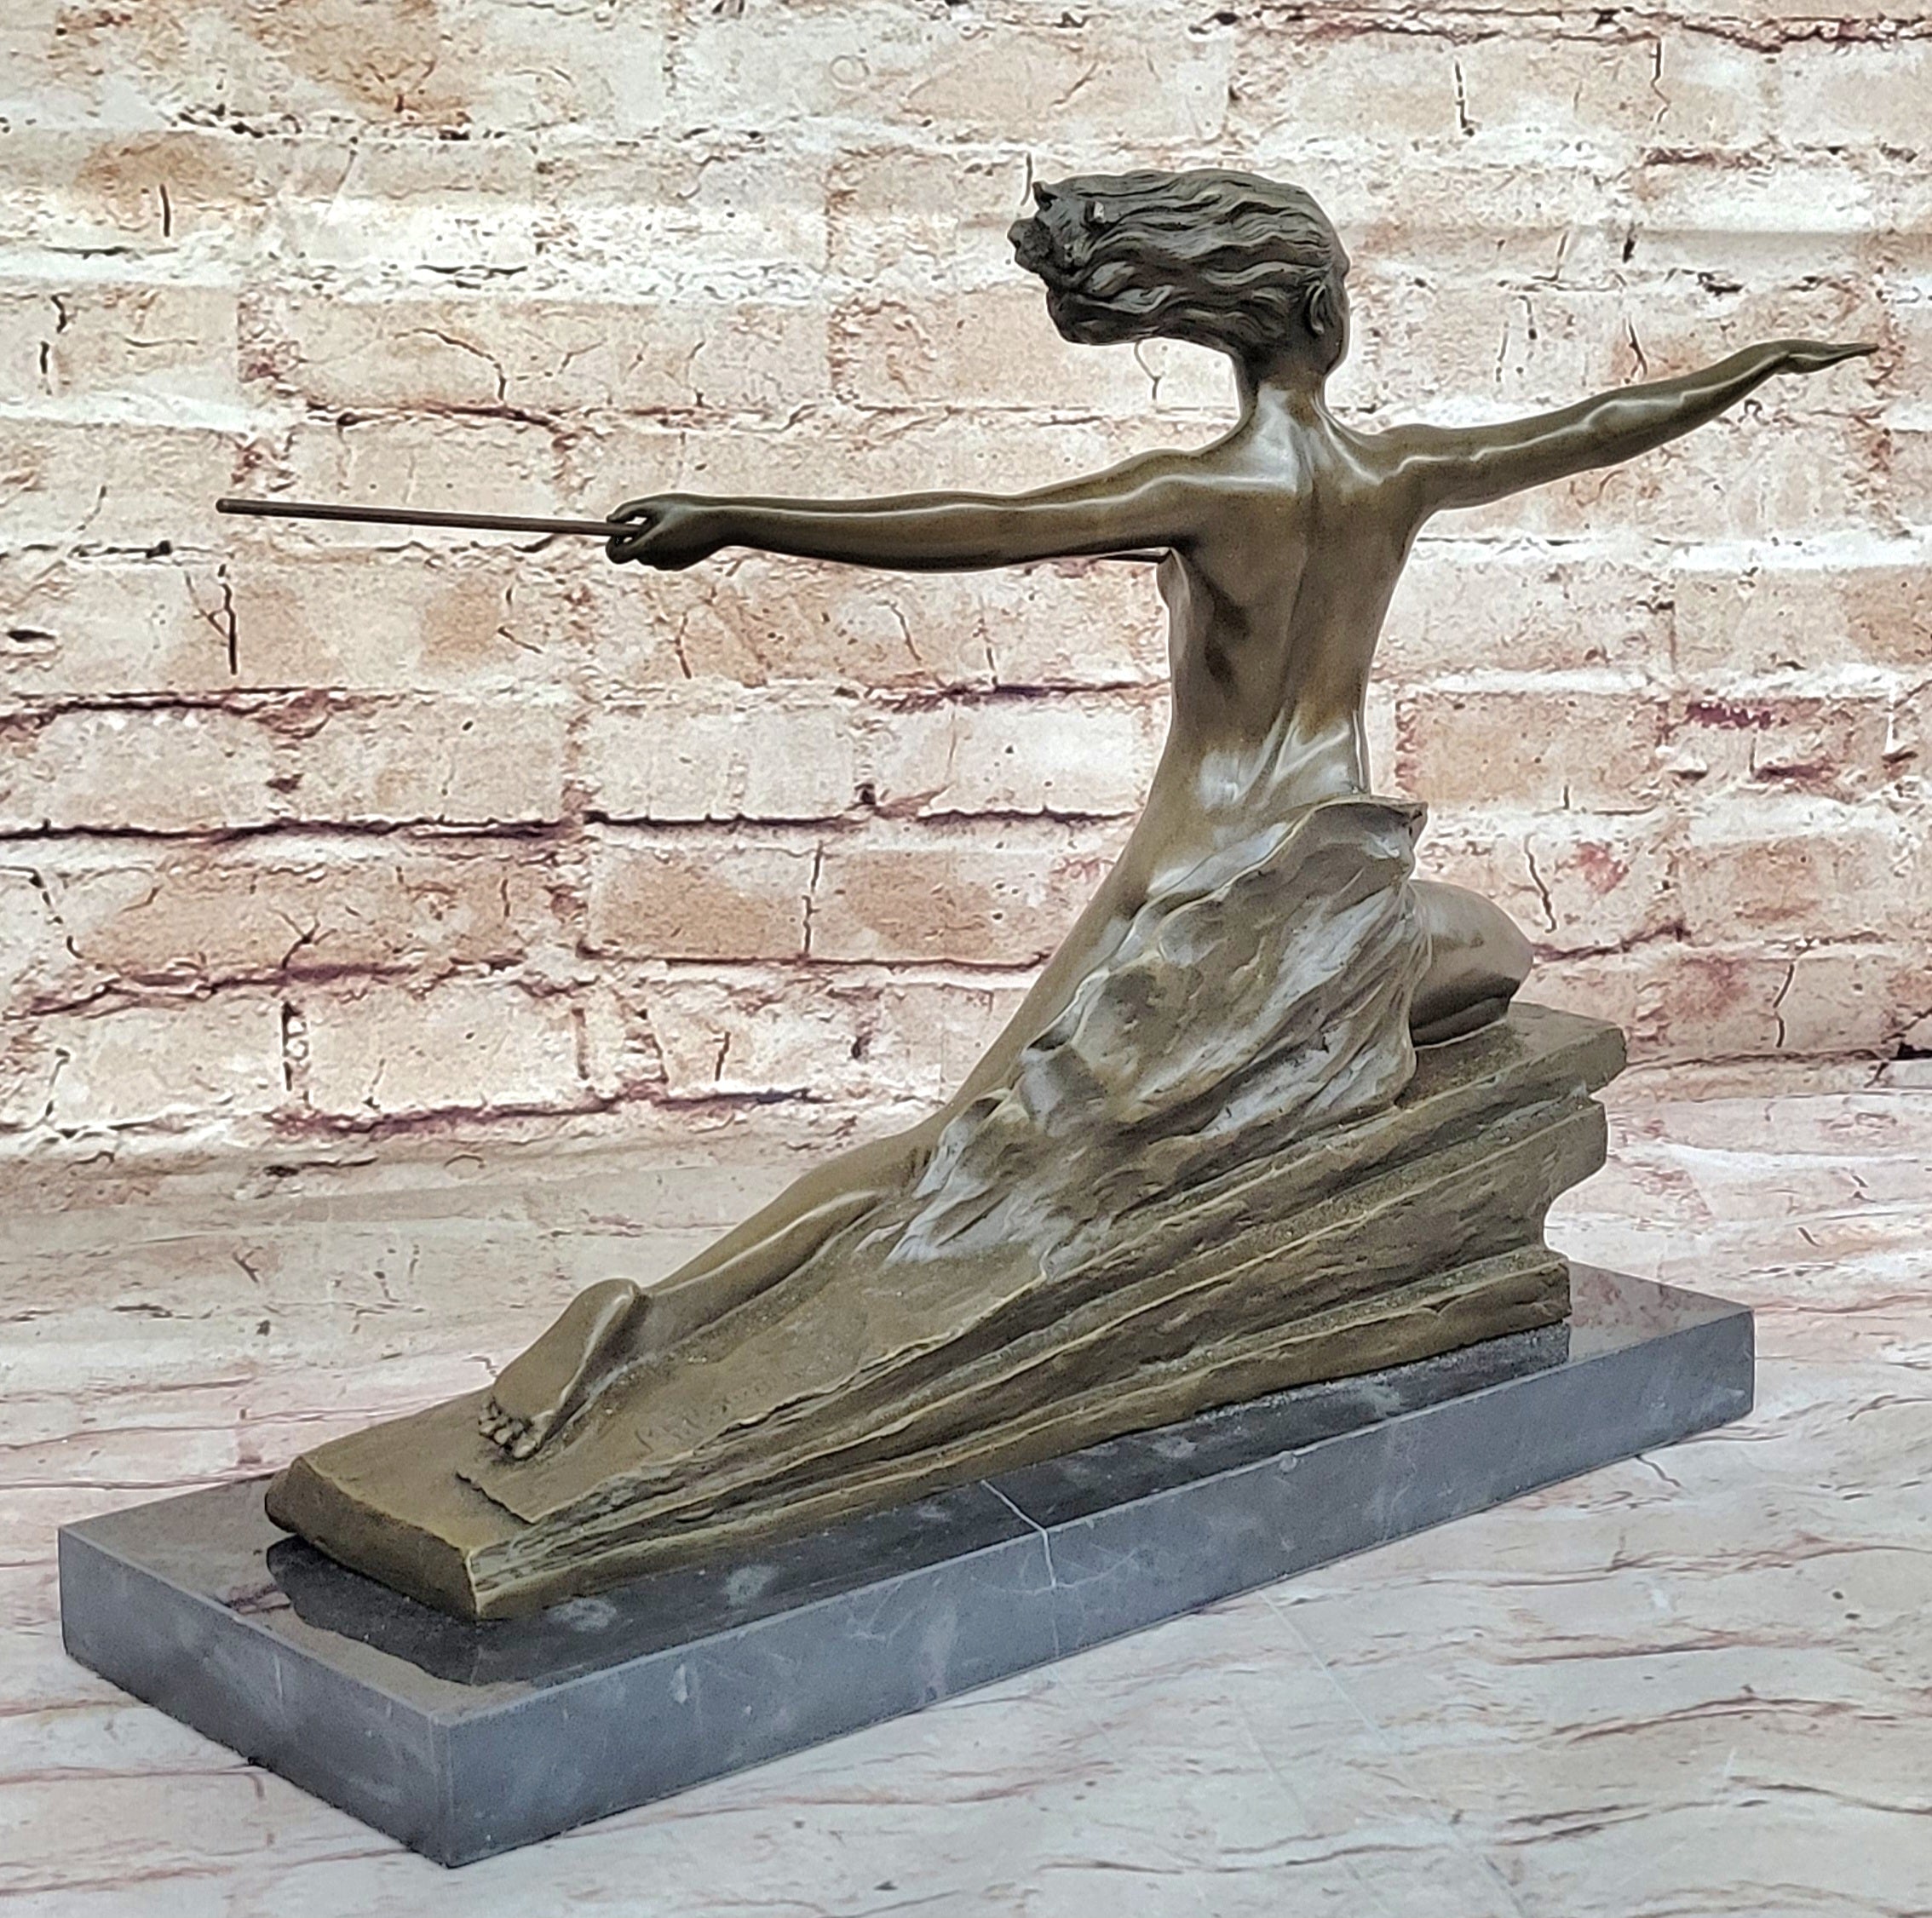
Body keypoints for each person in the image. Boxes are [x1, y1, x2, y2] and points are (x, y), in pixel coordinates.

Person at [479, 167, 1871, 1460]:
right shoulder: (1399, 474)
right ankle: (647, 1327)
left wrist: (732, 515)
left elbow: (969, 522)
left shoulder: (1198, 493)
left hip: (1199, 864)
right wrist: (1749, 367)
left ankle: (660, 1320)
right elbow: (1595, 427)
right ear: (1323, 314)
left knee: (947, 1149)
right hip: (1324, 870)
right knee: (1480, 960)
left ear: (1225, 333)